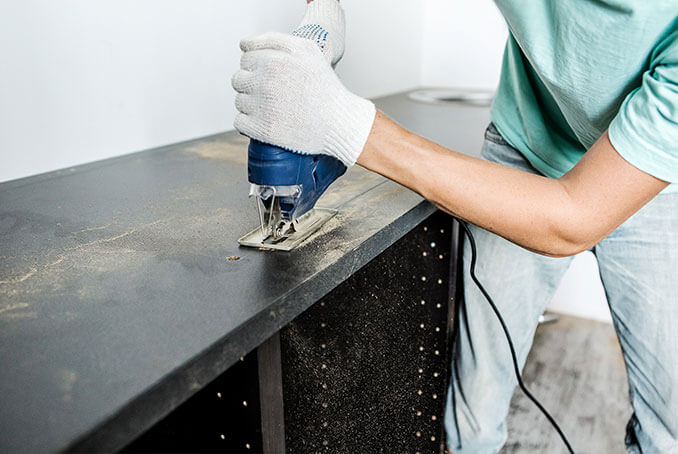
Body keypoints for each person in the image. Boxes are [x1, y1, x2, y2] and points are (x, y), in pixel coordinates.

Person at [232, 0, 678, 452]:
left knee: (669, 427)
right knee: (475, 409)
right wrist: (324, 11)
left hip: (659, 182)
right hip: (528, 143)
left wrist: (344, 124)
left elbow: (573, 218)